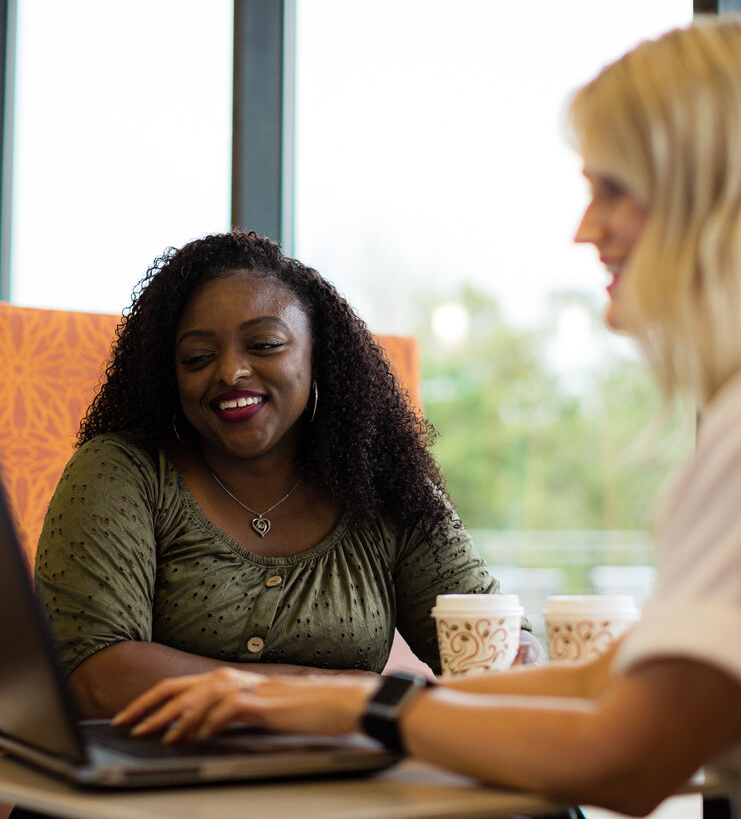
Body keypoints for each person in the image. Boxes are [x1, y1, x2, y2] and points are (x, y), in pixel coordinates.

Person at [115, 15, 741, 818]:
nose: (584, 228)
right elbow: (608, 678)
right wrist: (324, 702)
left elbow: (629, 759)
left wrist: (367, 710)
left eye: (615, 190)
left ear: (721, 192)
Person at [34, 231, 540, 719]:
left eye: (265, 345)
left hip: (342, 793)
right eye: (198, 357)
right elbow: (92, 676)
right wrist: (324, 692)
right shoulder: (125, 472)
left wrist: (522, 656)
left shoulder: (386, 483)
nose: (230, 371)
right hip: (153, 795)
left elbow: (485, 635)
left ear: (319, 358)